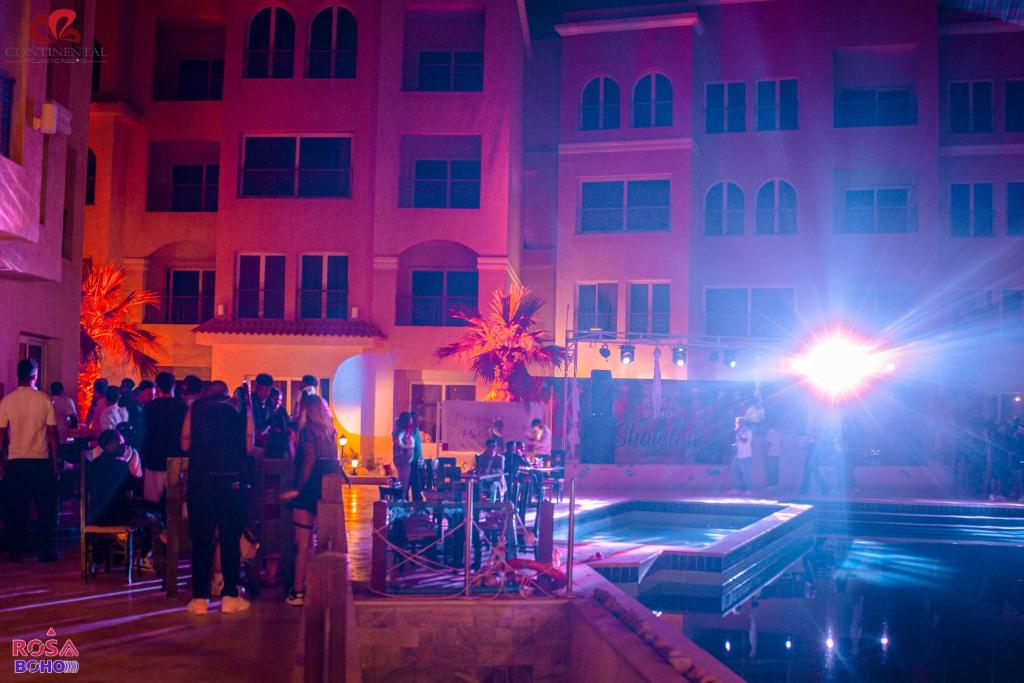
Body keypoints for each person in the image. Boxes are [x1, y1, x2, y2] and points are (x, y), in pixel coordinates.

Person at [181, 380, 250, 615]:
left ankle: (199, 598)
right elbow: (248, 444)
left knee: (201, 540)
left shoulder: (195, 408)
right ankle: (230, 595)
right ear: (227, 394)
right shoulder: (236, 408)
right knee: (229, 539)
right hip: (230, 481)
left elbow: (184, 441)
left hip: (201, 481)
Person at [284, 393, 347, 606]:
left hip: (308, 488)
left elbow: (307, 461)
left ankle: (298, 592)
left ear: (305, 410)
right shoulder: (330, 432)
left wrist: (298, 489)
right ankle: (315, 587)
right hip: (327, 488)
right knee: (320, 543)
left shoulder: (307, 433)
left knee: (303, 544)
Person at [0, 358, 59, 562]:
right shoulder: (44, 400)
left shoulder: (7, 401)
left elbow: (1, 435)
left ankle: (16, 550)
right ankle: (45, 550)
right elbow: (53, 436)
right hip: (40, 459)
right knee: (44, 507)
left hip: (16, 460)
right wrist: (55, 462)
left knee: (17, 506)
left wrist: (1, 462)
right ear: (35, 376)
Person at [140, 372, 187, 506]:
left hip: (154, 457)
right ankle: (173, 527)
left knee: (152, 501)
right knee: (176, 502)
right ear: (174, 385)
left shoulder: (149, 407)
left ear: (158, 387)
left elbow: (144, 432)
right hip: (176, 456)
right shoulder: (182, 407)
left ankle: (154, 526)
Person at [392, 414, 415, 501]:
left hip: (404, 458)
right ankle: (400, 499)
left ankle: (401, 498)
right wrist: (408, 447)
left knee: (404, 480)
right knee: (404, 481)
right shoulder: (399, 432)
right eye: (410, 420)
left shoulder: (405, 431)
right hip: (402, 458)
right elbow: (400, 443)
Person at [49, 381, 77, 448]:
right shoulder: (67, 401)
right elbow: (73, 419)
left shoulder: (47, 401)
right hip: (64, 437)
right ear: (62, 390)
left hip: (49, 437)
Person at [732, 417, 754, 494]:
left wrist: (738, 433)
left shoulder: (747, 430)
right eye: (736, 422)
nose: (737, 423)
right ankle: (737, 489)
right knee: (735, 472)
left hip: (746, 455)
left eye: (738, 422)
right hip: (738, 455)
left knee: (747, 474)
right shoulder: (739, 430)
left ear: (743, 422)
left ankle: (749, 490)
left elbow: (744, 441)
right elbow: (739, 441)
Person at [764, 424, 784, 488]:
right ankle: (776, 484)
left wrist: (765, 452)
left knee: (771, 469)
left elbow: (769, 443)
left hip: (771, 452)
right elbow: (781, 443)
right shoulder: (781, 432)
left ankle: (771, 484)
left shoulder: (770, 431)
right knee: (776, 469)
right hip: (778, 453)